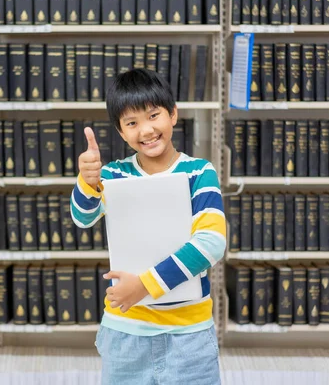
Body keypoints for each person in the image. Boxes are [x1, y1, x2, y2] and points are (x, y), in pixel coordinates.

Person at [69, 68, 226, 385]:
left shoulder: (200, 173)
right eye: (132, 123)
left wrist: (144, 285)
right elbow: (82, 219)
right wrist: (87, 182)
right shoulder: (113, 175)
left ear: (173, 115)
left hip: (189, 336)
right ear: (121, 132)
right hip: (127, 333)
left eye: (154, 115)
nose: (146, 129)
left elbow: (211, 243)